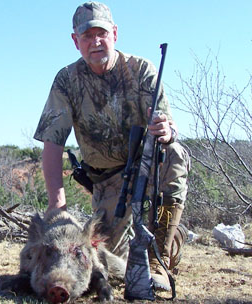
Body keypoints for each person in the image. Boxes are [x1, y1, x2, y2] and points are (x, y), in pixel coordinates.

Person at [33, 1, 190, 292]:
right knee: (111, 264)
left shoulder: (141, 69)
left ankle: (163, 255)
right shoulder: (66, 80)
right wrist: (57, 204)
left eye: (101, 34)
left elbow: (169, 126)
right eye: (87, 36)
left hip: (145, 172)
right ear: (75, 41)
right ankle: (164, 244)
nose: (95, 42)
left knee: (176, 153)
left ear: (114, 33)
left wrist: (167, 131)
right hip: (106, 184)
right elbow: (52, 143)